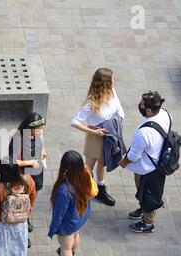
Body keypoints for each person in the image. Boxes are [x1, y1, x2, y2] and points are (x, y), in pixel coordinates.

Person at [71, 68, 124, 206]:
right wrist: (94, 132)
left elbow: (118, 108)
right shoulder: (92, 102)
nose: (114, 81)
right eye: (112, 80)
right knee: (89, 166)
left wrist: (118, 122)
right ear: (105, 83)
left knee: (103, 162)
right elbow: (75, 122)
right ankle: (79, 189)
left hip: (109, 134)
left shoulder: (112, 92)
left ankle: (100, 189)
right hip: (96, 135)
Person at [119, 91, 170, 233]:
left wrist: (123, 162)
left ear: (148, 110)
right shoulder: (165, 114)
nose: (139, 105)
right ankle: (143, 208)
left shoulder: (144, 133)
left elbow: (134, 155)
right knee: (143, 190)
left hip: (149, 169)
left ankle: (148, 223)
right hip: (157, 161)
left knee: (149, 197)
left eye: (141, 104)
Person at [48, 150, 98, 256]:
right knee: (75, 236)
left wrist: (52, 229)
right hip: (80, 216)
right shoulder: (86, 174)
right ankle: (72, 254)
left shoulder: (64, 190)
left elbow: (59, 214)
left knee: (65, 248)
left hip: (68, 222)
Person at [9, 112, 47, 247]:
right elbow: (12, 162)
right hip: (23, 177)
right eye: (39, 128)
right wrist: (30, 162)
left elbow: (41, 143)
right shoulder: (18, 140)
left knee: (30, 202)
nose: (41, 131)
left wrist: (43, 150)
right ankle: (21, 232)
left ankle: (26, 219)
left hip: (37, 175)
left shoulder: (36, 134)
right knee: (22, 204)